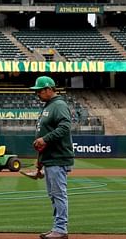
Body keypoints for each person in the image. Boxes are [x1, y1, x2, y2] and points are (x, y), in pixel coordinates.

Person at [30, 76, 75, 239]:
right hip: (50, 158)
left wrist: (44, 139)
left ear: (49, 89)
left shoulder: (59, 105)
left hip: (58, 157)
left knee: (58, 194)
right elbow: (45, 134)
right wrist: (40, 161)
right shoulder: (49, 106)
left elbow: (65, 127)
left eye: (39, 91)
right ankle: (57, 227)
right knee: (54, 195)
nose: (37, 94)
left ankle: (61, 229)